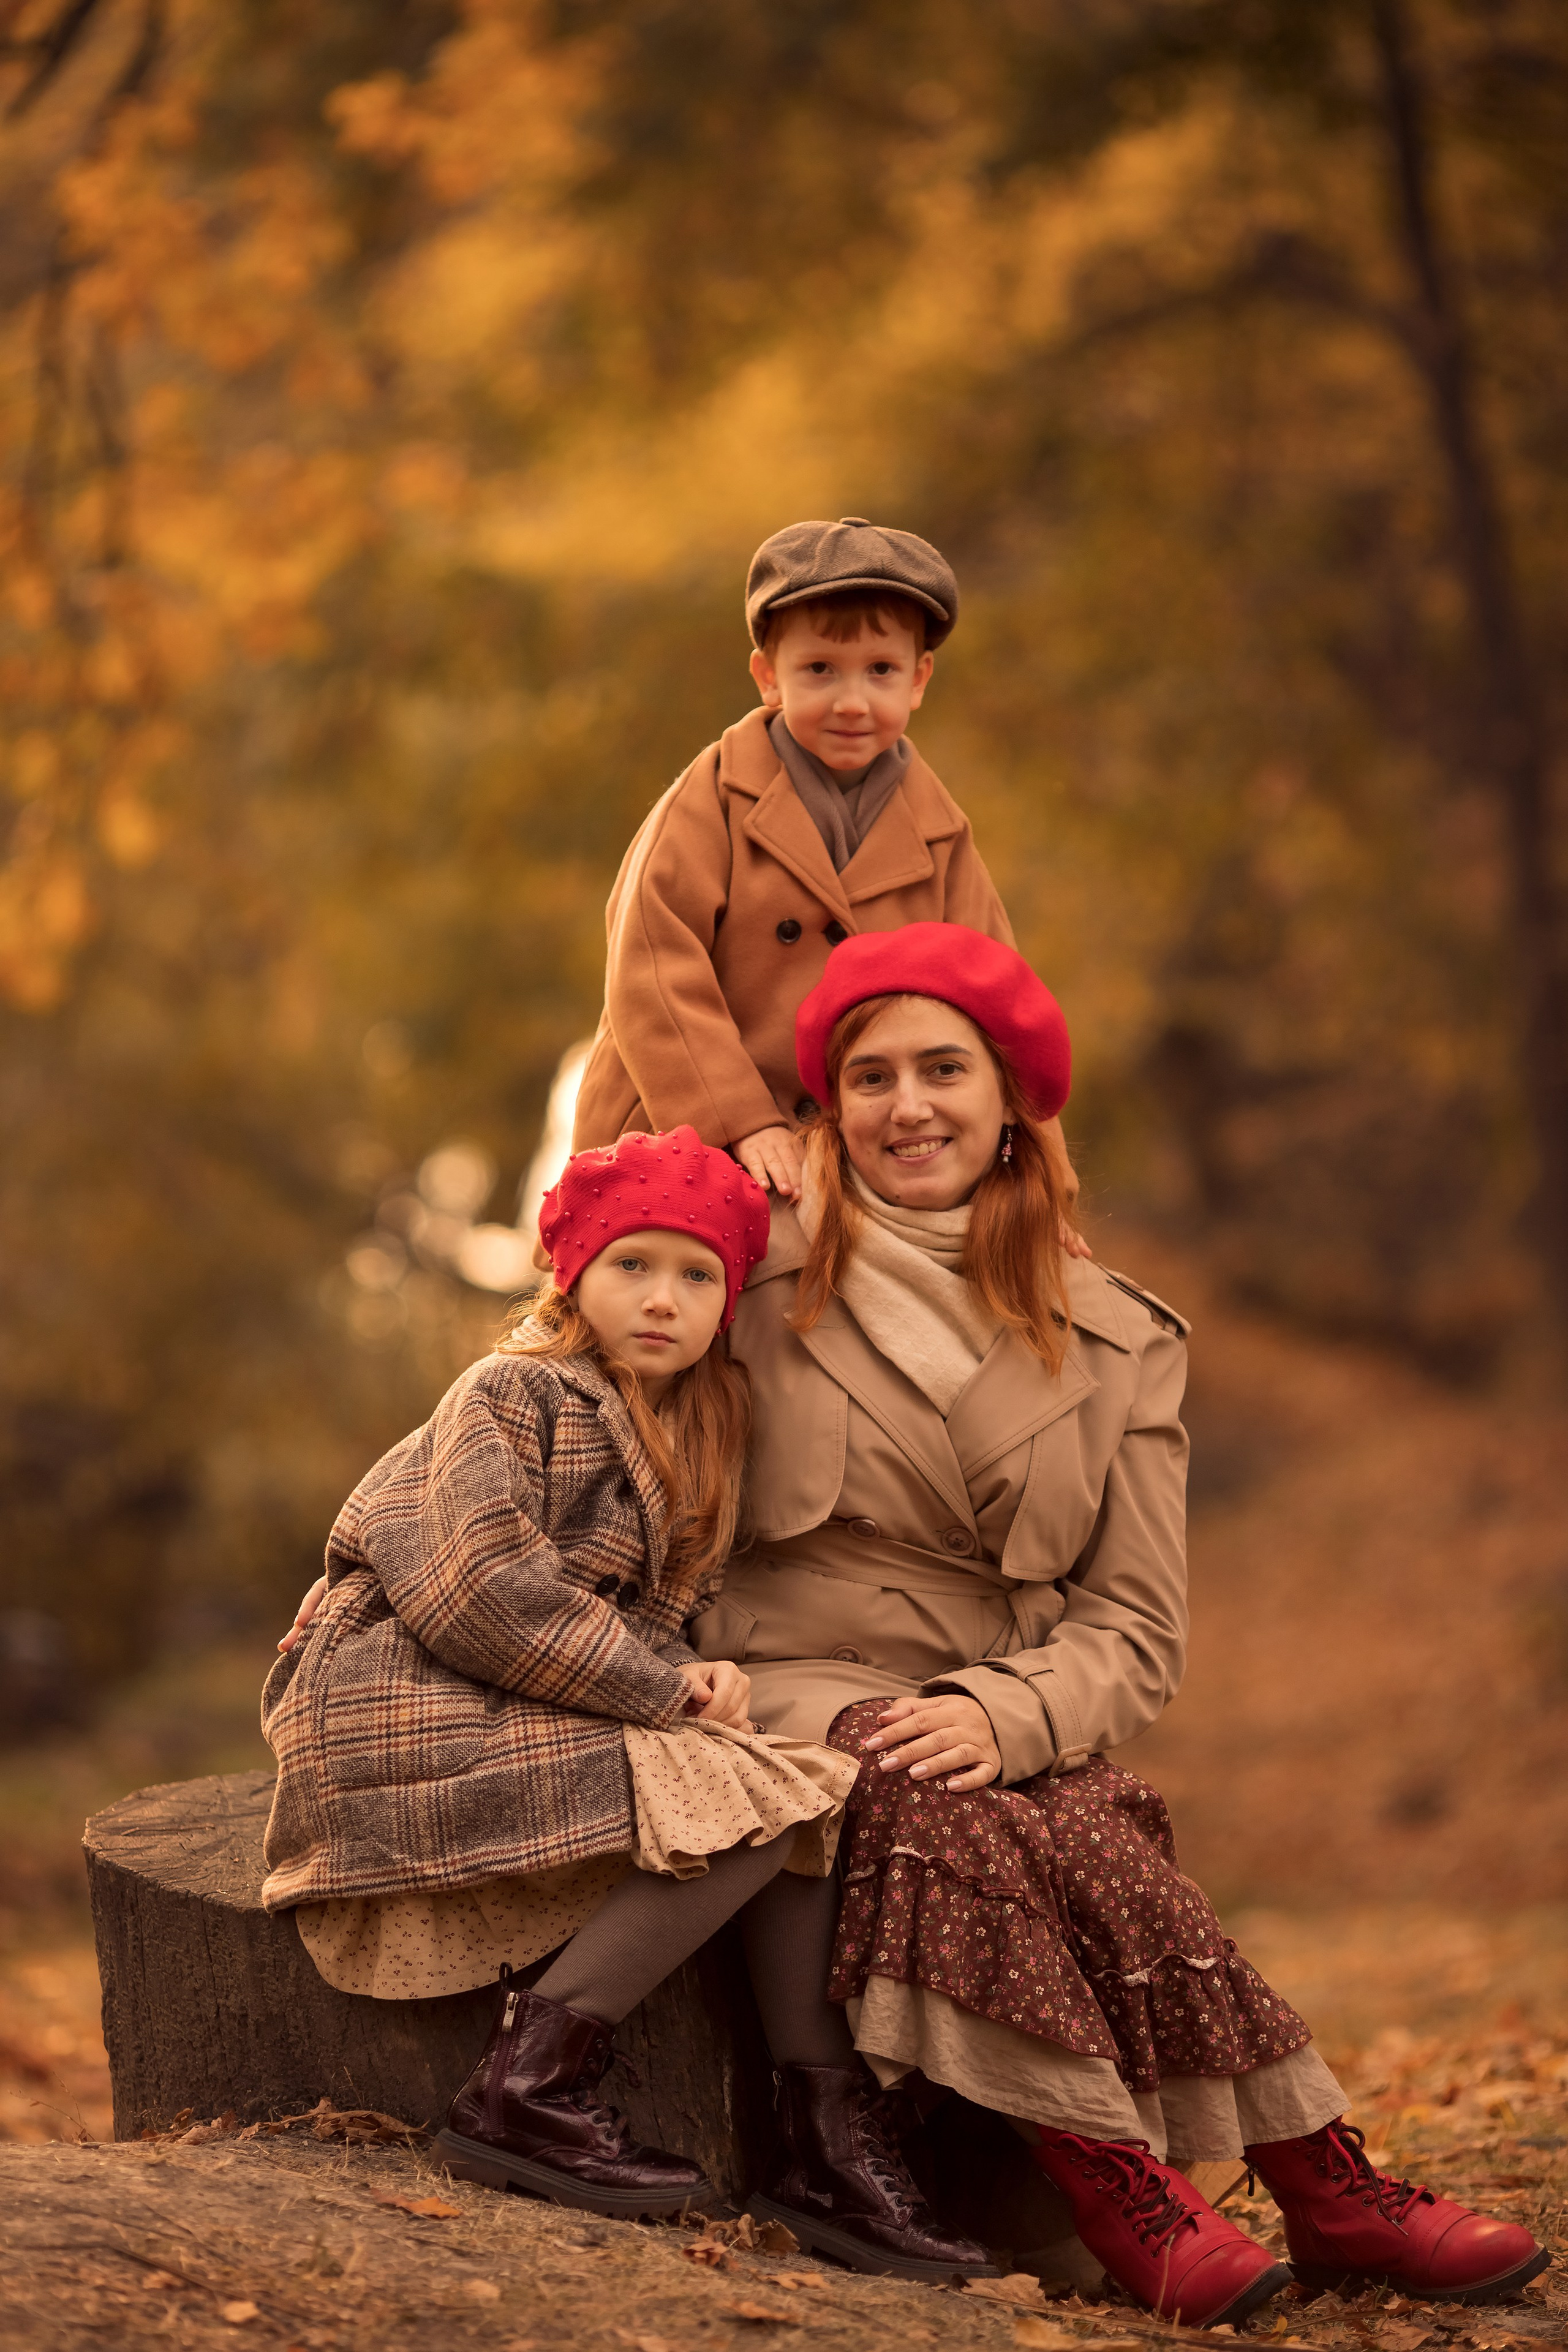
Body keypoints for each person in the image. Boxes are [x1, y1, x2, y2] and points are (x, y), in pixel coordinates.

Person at [689, 922, 1548, 2323]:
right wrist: (394, 1547)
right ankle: (1122, 2185)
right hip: (778, 1687)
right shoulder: (740, 1270)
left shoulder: (1117, 1337)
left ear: (1012, 1099)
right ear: (826, 1107)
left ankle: (1324, 2176)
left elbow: (1132, 1624)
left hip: (985, 1701)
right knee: (932, 1790)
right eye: (870, 1076)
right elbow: (566, 1376)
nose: (906, 1104)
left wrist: (1007, 1712)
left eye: (942, 1070)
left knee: (1086, 1815)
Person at [260, 1126, 862, 2222]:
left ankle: (823, 2133)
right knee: (761, 1805)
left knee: (785, 1780)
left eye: (697, 1276)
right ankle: (526, 2087)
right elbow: (482, 1591)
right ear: (575, 1270)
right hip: (403, 1689)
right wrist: (659, 1690)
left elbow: (653, 1619)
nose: (662, 1299)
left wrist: (698, 1675)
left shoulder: (694, 1435)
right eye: (633, 1264)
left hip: (523, 1687)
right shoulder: (513, 1392)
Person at [568, 514, 1079, 1221]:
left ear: (918, 679)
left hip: (848, 1154)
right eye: (819, 670)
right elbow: (652, 966)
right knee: (662, 1298)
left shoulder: (940, 833)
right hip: (682, 1122)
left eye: (880, 671)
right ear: (767, 678)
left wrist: (1043, 1182)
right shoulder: (709, 799)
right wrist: (741, 1119)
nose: (851, 701)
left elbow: (1000, 1005)